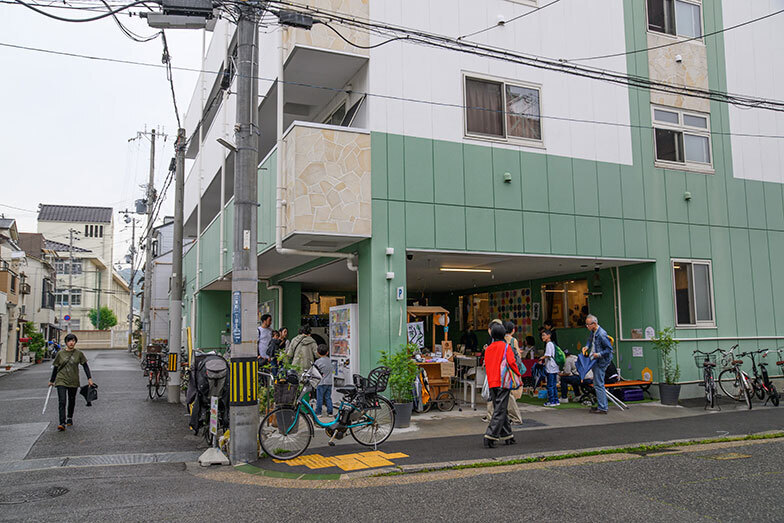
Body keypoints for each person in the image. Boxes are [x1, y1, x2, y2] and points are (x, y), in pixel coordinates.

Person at [483, 322, 521, 448]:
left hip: (492, 381)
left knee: (500, 407)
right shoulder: (505, 347)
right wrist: (518, 374)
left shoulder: (488, 348)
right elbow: (512, 362)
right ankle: (490, 436)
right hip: (503, 381)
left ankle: (508, 436)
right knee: (500, 409)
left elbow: (487, 365)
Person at [48, 333, 93, 432]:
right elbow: (55, 367)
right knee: (62, 401)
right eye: (69, 341)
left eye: (73, 341)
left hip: (73, 380)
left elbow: (85, 366)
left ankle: (69, 417)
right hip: (61, 380)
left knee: (72, 400)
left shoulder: (79, 354)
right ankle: (61, 422)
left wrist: (89, 378)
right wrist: (52, 380)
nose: (71, 343)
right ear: (66, 342)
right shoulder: (60, 354)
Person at [585, 314, 613, 414]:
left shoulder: (601, 334)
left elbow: (609, 349)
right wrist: (586, 347)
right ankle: (602, 406)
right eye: (586, 324)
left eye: (588, 324)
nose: (587, 326)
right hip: (596, 360)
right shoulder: (594, 331)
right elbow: (590, 340)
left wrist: (598, 354)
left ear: (594, 324)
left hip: (601, 361)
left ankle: (603, 408)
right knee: (597, 384)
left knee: (598, 384)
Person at [313, 344, 334, 417]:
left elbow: (314, 371)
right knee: (328, 397)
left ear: (318, 353)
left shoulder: (317, 362)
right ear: (327, 352)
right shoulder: (330, 360)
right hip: (329, 382)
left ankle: (318, 412)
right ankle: (330, 412)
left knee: (320, 398)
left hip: (321, 383)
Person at [540, 329, 560, 407]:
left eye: (544, 335)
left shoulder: (549, 344)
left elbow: (548, 355)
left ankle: (551, 401)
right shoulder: (552, 344)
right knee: (553, 385)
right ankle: (556, 400)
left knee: (550, 385)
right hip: (554, 367)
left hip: (551, 368)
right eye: (542, 335)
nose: (542, 337)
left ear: (549, 335)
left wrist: (541, 358)